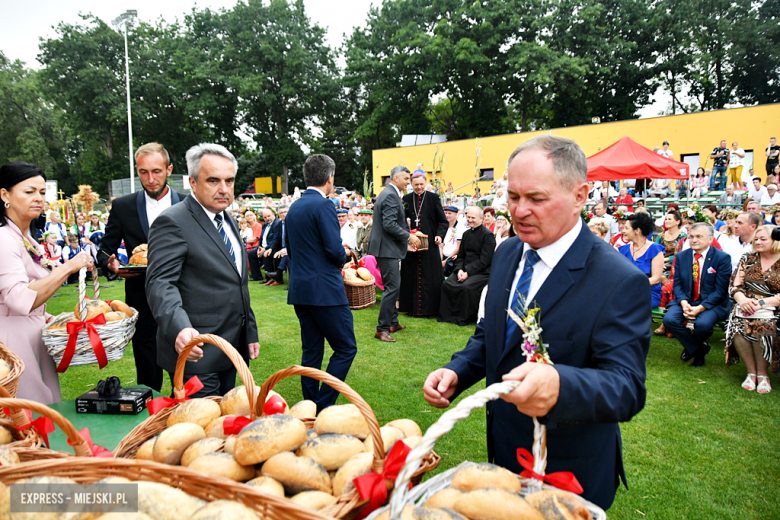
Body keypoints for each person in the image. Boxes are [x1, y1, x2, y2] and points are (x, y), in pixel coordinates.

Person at [423, 135, 650, 510]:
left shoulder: (618, 280)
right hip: (505, 454)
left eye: (537, 198)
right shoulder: (509, 250)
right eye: (513, 197)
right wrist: (458, 370)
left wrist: (561, 385)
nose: (520, 211)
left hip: (568, 470)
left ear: (580, 196)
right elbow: (494, 334)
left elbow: (626, 388)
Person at [145, 143, 259, 397]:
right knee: (199, 431)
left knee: (226, 426)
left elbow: (237, 282)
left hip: (232, 349)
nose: (223, 189)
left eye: (229, 181)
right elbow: (160, 284)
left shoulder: (226, 218)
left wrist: (249, 331)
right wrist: (179, 328)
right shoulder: (173, 221)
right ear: (193, 182)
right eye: (213, 180)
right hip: (195, 354)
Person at [0, 161, 93, 404]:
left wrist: (53, 319)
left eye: (42, 192)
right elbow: (19, 299)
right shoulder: (3, 239)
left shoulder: (26, 238)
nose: (38, 198)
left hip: (34, 335)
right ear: (4, 195)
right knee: (28, 413)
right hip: (13, 340)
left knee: (46, 410)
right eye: (29, 191)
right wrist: (69, 266)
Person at [97, 142, 184, 392]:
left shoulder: (189, 204)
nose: (150, 178)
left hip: (184, 297)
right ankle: (151, 421)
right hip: (141, 297)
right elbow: (105, 248)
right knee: (148, 371)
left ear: (169, 169)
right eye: (143, 172)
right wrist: (109, 263)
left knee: (186, 368)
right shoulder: (123, 206)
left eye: (156, 171)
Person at [286, 154, 357, 411]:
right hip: (325, 291)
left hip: (300, 288)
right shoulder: (324, 205)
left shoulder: (294, 207)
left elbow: (290, 249)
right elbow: (333, 249)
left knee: (312, 350)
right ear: (330, 178)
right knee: (346, 348)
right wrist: (346, 254)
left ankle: (308, 403)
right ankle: (322, 405)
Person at [663, 223, 733, 367]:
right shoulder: (682, 256)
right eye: (691, 237)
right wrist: (683, 302)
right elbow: (677, 284)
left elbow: (720, 290)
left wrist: (700, 308)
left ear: (710, 239)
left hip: (712, 303)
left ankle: (695, 351)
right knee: (670, 320)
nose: (694, 240)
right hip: (687, 300)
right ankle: (699, 349)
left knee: (702, 325)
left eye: (699, 237)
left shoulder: (722, 258)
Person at [726, 225, 780, 394]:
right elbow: (735, 285)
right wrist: (742, 300)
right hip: (745, 304)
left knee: (763, 324)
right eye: (756, 239)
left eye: (763, 239)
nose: (758, 242)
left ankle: (763, 375)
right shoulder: (748, 258)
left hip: (773, 307)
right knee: (737, 325)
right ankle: (752, 372)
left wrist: (762, 303)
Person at [368, 166, 420, 342]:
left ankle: (393, 322)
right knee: (392, 288)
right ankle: (382, 329)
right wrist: (409, 237)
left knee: (393, 287)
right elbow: (389, 225)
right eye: (406, 178)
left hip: (386, 248)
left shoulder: (389, 193)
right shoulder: (390, 195)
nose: (408, 182)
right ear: (395, 178)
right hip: (386, 249)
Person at [399, 173, 448, 318]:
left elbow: (443, 221)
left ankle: (431, 310)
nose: (419, 187)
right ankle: (411, 308)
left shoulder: (433, 198)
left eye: (421, 184)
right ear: (411, 185)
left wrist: (439, 234)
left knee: (430, 277)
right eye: (416, 185)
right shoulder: (407, 199)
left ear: (425, 183)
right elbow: (401, 221)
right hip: (412, 244)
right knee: (411, 275)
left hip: (430, 244)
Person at [438, 206, 496, 325]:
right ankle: (448, 316)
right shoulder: (466, 234)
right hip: (463, 269)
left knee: (466, 287)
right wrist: (459, 269)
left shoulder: (488, 235)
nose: (469, 220)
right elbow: (461, 255)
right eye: (468, 217)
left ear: (481, 219)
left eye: (472, 218)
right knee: (447, 284)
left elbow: (485, 260)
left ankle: (463, 318)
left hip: (481, 272)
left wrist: (467, 272)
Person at [619, 212, 665, 308]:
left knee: (626, 304)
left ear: (637, 231)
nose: (623, 231)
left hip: (648, 293)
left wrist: (632, 286)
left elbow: (656, 279)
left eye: (626, 228)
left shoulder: (655, 250)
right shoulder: (623, 250)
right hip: (626, 291)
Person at [249, 208, 282, 285]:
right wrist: (259, 247)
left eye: (269, 216)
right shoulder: (264, 224)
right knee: (251, 253)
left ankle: (269, 278)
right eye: (265, 217)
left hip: (273, 248)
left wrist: (265, 249)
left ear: (273, 215)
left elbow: (275, 240)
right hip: (262, 247)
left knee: (266, 254)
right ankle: (256, 276)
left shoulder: (277, 224)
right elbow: (261, 237)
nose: (267, 218)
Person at [653, 210, 687, 279]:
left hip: (677, 264)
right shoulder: (660, 236)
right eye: (666, 219)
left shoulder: (684, 236)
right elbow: (655, 252)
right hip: (661, 263)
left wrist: (665, 259)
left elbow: (683, 255)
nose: (666, 221)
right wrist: (660, 263)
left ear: (678, 222)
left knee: (663, 277)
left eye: (669, 219)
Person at [270, 204, 290, 285]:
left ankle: (277, 274)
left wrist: (285, 249)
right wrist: (270, 248)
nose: (283, 214)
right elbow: (276, 238)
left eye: (285, 212)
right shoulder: (279, 224)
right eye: (281, 213)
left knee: (286, 255)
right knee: (271, 253)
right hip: (282, 247)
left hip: (291, 247)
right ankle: (275, 278)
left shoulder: (293, 223)